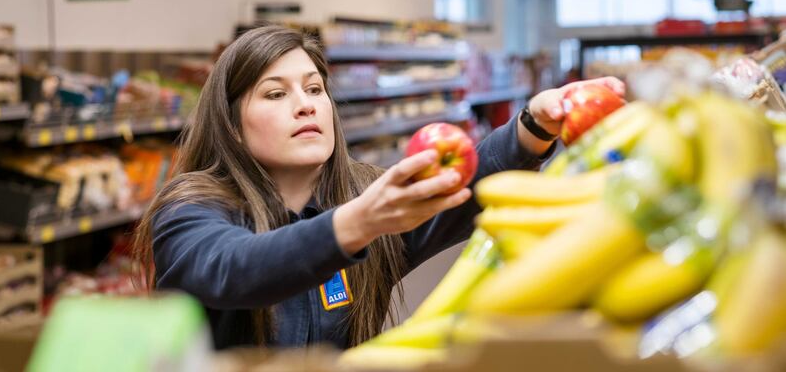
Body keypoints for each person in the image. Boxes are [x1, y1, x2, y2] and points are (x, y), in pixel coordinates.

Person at [132, 24, 625, 351]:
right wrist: (360, 222)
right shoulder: (190, 209)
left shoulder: (360, 193)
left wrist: (534, 125)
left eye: (314, 88)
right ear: (233, 126)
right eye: (276, 93)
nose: (305, 105)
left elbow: (468, 185)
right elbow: (238, 270)